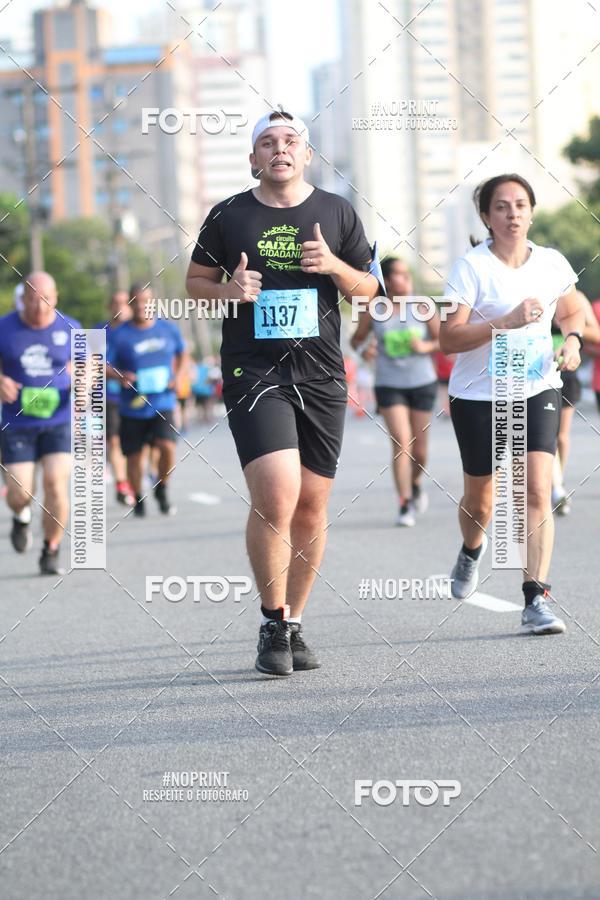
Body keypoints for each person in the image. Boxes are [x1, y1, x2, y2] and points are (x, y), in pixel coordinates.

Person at [185, 108, 379, 676]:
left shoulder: (336, 211)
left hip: (320, 373)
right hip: (254, 369)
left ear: (306, 154)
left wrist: (335, 266)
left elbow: (369, 289)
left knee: (313, 505)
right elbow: (194, 284)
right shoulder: (228, 214)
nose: (279, 149)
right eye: (267, 142)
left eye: (290, 140)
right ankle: (272, 619)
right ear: (253, 158)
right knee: (276, 494)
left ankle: (294, 621)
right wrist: (229, 288)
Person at [440, 173, 585, 635]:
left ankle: (535, 598)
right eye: (501, 207)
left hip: (537, 386)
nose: (512, 214)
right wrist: (503, 321)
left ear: (531, 212)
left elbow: (572, 309)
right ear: (486, 216)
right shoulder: (470, 268)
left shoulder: (551, 263)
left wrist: (574, 340)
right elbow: (448, 338)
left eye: (520, 205)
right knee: (481, 502)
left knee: (537, 490)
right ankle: (471, 550)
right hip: (479, 395)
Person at [0, 272, 80, 575]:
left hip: (58, 421)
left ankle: (51, 549)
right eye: (32, 299)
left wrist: (83, 383)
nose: (39, 306)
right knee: (21, 494)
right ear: (22, 299)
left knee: (55, 483)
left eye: (45, 299)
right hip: (17, 422)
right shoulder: (4, 327)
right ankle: (20, 517)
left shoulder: (71, 327)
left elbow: (90, 367)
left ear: (55, 298)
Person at [351, 257, 439, 525]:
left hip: (422, 382)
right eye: (399, 274)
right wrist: (365, 350)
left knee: (420, 451)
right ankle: (404, 504)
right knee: (402, 443)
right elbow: (355, 340)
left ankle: (414, 484)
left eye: (406, 273)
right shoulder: (375, 309)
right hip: (389, 384)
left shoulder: (423, 306)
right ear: (387, 280)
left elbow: (444, 340)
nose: (405, 279)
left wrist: (425, 347)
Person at [106, 282, 186, 517]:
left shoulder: (168, 329)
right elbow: (102, 364)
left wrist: (178, 376)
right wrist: (120, 375)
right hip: (132, 406)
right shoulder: (119, 334)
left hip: (162, 401)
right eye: (136, 302)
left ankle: (162, 487)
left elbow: (183, 353)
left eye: (146, 301)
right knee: (135, 457)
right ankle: (138, 495)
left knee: (167, 446)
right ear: (130, 304)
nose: (141, 306)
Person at [551, 291, 600, 515]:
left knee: (560, 435)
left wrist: (571, 330)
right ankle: (553, 487)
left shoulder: (576, 298)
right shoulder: (529, 292)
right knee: (544, 436)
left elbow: (596, 335)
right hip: (534, 375)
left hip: (566, 375)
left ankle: (556, 485)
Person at [94, 291, 134, 506]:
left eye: (124, 303)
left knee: (141, 443)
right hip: (109, 396)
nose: (120, 307)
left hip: (139, 396)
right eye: (116, 303)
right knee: (115, 440)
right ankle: (121, 482)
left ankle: (139, 476)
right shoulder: (99, 331)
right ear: (109, 306)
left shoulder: (138, 330)